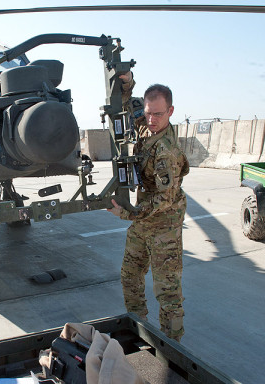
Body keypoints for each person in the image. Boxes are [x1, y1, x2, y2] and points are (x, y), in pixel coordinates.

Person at [107, 73, 189, 342]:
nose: (151, 119)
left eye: (158, 114)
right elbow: (124, 104)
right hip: (144, 219)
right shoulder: (146, 124)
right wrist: (126, 81)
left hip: (164, 223)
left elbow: (164, 199)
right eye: (149, 112)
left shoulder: (166, 151)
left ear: (171, 111)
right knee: (130, 275)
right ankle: (137, 326)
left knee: (167, 292)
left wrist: (128, 212)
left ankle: (173, 347)